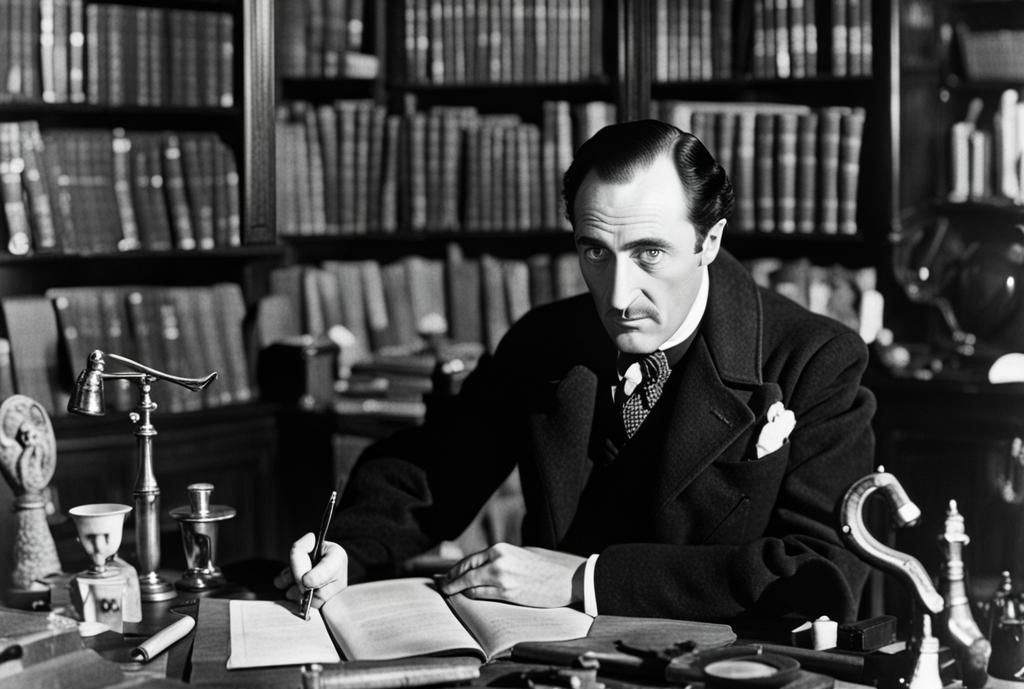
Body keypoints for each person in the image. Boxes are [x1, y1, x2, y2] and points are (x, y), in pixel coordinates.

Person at [277, 119, 875, 626]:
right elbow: (437, 471)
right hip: (550, 665)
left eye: (650, 253)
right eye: (595, 251)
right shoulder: (545, 338)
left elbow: (819, 573)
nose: (618, 296)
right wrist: (347, 550)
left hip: (726, 682)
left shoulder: (816, 359)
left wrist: (586, 580)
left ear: (709, 240)